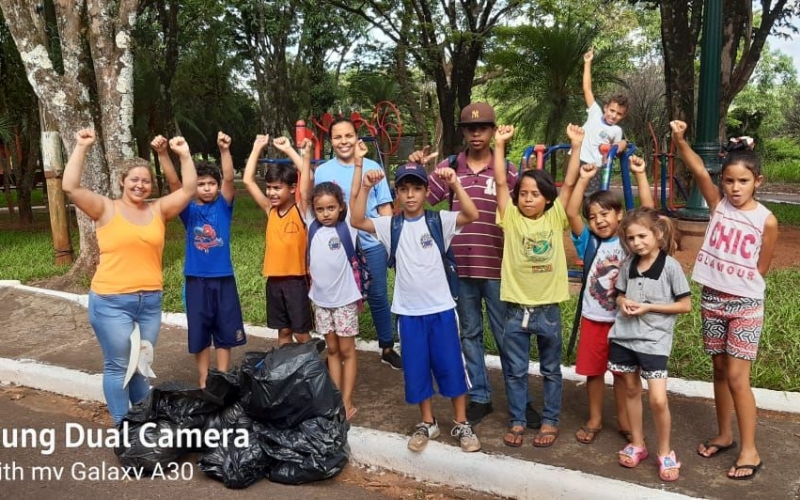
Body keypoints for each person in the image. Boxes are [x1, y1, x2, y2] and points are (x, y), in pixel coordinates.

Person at [62, 129, 197, 425]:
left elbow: (188, 189)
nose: (140, 185)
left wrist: (184, 154)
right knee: (119, 365)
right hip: (111, 301)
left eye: (146, 181)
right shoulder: (105, 208)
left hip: (149, 302)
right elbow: (70, 186)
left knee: (140, 365)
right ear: (122, 181)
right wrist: (81, 146)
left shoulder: (158, 209)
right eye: (134, 179)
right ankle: (122, 427)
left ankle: (141, 424)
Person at [671, 120, 778, 480]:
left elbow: (762, 267)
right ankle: (724, 434)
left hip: (745, 304)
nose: (735, 188)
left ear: (757, 181)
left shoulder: (766, 220)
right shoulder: (717, 205)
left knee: (736, 376)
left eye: (743, 181)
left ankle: (751, 450)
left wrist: (739, 283)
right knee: (718, 369)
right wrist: (680, 140)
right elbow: (699, 169)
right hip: (712, 300)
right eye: (729, 181)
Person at [350, 161, 482, 453]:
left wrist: (455, 184)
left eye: (417, 189)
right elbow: (357, 220)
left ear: (426, 192)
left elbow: (472, 214)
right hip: (408, 313)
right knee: (417, 369)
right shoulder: (390, 225)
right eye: (404, 189)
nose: (410, 195)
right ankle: (428, 422)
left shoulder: (439, 221)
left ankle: (462, 422)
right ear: (396, 194)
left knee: (451, 366)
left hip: (441, 310)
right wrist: (366, 187)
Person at [409, 101, 522, 425]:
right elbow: (420, 200)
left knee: (507, 335)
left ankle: (519, 400)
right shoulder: (449, 167)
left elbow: (527, 209)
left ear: (492, 130)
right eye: (470, 128)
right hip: (459, 268)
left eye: (482, 128)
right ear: (463, 132)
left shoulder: (507, 169)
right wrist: (417, 168)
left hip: (498, 267)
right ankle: (481, 396)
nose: (476, 133)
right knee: (469, 334)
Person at [493, 123, 583, 448]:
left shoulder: (555, 217)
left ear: (547, 199)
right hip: (515, 309)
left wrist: (576, 146)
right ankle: (518, 420)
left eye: (535, 194)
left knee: (551, 370)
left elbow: (569, 182)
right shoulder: (511, 218)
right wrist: (499, 145)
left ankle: (550, 420)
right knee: (515, 370)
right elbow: (500, 181)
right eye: (523, 194)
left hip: (548, 310)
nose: (528, 199)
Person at [566, 156, 654, 445]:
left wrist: (640, 175)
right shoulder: (588, 241)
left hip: (623, 321)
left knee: (623, 374)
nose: (599, 220)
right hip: (594, 319)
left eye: (605, 214)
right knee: (593, 373)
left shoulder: (630, 241)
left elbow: (649, 216)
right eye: (592, 217)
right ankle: (594, 419)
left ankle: (625, 422)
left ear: (620, 215)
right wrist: (583, 179)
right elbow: (571, 212)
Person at [274, 135, 361, 420]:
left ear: (341, 207)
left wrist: (359, 164)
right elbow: (304, 190)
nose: (325, 213)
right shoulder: (311, 224)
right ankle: (334, 399)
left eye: (331, 208)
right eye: (320, 209)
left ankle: (347, 401)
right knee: (332, 350)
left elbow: (356, 194)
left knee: (347, 350)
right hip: (321, 302)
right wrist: (305, 155)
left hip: (345, 300)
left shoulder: (348, 226)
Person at [151, 131, 246, 389]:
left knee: (225, 329)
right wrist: (163, 154)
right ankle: (204, 379)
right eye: (201, 183)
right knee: (200, 331)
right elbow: (174, 183)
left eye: (211, 183)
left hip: (223, 279)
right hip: (196, 280)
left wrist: (225, 150)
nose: (206, 188)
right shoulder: (189, 210)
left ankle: (222, 377)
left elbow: (229, 178)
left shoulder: (223, 206)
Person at [609, 207, 691, 482]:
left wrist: (649, 307)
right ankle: (638, 443)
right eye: (631, 238)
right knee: (631, 390)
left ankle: (665, 451)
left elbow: (685, 305)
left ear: (657, 234)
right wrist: (623, 301)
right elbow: (619, 295)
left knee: (658, 399)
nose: (636, 243)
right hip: (624, 337)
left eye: (642, 236)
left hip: (655, 342)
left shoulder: (671, 267)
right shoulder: (628, 264)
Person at [314, 117, 401, 369]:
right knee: (339, 297)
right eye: (338, 137)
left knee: (377, 294)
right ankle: (338, 350)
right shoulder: (322, 171)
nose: (344, 141)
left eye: (348, 136)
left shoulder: (372, 166)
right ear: (331, 141)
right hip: (337, 246)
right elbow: (318, 208)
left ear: (356, 137)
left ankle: (387, 346)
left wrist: (389, 242)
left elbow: (385, 208)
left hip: (370, 243)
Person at [243, 134, 312, 345]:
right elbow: (247, 181)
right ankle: (286, 366)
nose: (271, 193)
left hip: (296, 281)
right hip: (274, 281)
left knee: (301, 334)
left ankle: (313, 364)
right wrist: (257, 148)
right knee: (283, 333)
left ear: (292, 188)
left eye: (277, 188)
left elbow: (307, 176)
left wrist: (290, 150)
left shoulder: (300, 210)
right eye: (269, 187)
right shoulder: (270, 210)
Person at [581, 48, 628, 196]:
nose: (614, 116)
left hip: (595, 165)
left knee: (590, 197)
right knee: (570, 190)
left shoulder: (616, 130)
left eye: (619, 114)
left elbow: (618, 147)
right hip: (577, 158)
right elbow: (587, 89)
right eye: (612, 110)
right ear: (606, 108)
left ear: (623, 116)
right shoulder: (595, 112)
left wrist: (622, 145)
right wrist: (587, 63)